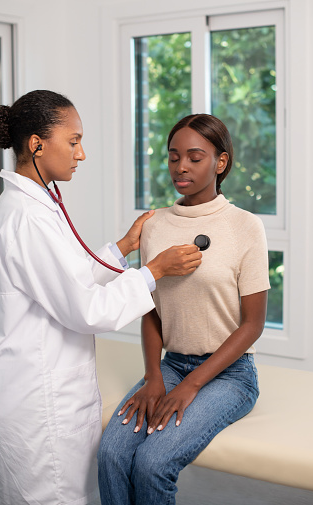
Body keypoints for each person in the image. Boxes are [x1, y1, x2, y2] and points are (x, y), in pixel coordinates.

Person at [0, 90, 202, 505]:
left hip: (34, 387)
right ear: (37, 144)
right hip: (37, 400)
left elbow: (68, 278)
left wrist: (122, 246)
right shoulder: (28, 218)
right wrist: (155, 271)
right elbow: (86, 308)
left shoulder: (35, 204)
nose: (81, 154)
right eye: (74, 140)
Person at [98, 113, 271, 505]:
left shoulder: (245, 227)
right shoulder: (155, 225)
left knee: (152, 463)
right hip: (172, 365)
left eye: (195, 157)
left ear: (220, 162)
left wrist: (192, 386)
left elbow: (253, 324)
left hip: (231, 374)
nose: (181, 166)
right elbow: (150, 309)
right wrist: (153, 376)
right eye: (174, 156)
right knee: (111, 453)